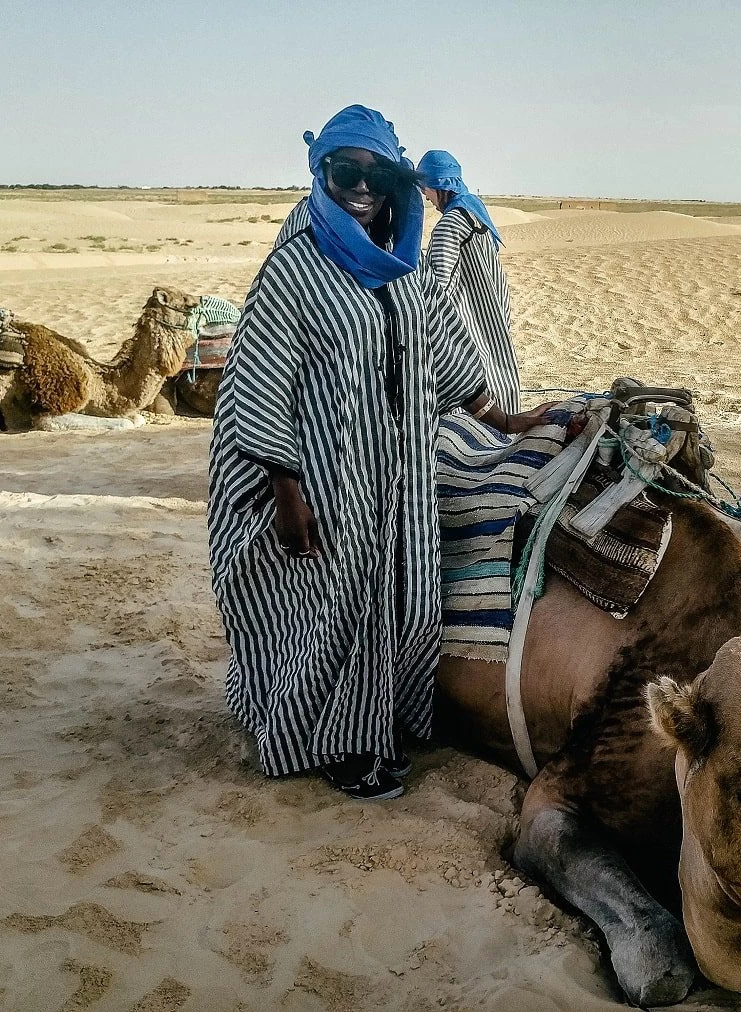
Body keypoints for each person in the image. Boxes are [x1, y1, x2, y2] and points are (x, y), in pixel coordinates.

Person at [208, 105, 553, 802]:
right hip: (325, 474)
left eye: (377, 173)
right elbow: (260, 378)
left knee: (402, 598)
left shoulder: (400, 259)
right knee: (338, 606)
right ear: (321, 173)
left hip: (400, 477)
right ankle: (337, 744)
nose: (360, 187)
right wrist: (286, 489)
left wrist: (505, 417)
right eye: (345, 171)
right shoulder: (296, 269)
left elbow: (443, 352)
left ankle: (380, 722)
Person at [419, 149, 521, 412]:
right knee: (502, 388)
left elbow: (437, 293)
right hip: (494, 321)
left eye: (426, 187)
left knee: (478, 406)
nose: (424, 195)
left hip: (468, 332)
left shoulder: (449, 226)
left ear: (440, 185)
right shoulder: (475, 213)